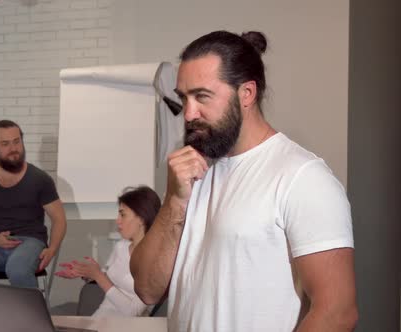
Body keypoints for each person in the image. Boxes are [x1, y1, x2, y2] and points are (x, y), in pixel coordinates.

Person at [130, 30, 357, 332]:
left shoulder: (303, 176)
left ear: (246, 94)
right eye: (183, 97)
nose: (188, 113)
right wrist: (174, 200)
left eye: (202, 96)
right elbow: (147, 289)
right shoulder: (191, 173)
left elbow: (337, 313)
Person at [0, 119, 67, 288]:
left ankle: (31, 314)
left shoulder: (40, 179)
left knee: (17, 269)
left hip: (32, 241)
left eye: (17, 141)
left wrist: (52, 249)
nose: (13, 149)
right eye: (5, 144)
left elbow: (59, 218)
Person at [55, 186, 161, 317]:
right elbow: (108, 280)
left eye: (123, 214)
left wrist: (98, 276)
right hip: (100, 318)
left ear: (141, 218)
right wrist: (86, 273)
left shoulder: (156, 260)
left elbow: (133, 312)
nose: (117, 221)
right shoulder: (121, 247)